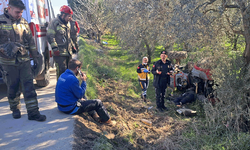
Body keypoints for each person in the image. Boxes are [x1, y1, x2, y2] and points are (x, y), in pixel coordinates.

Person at [0, 0, 46, 121]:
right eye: (17, 12)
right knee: (12, 87)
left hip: (24, 60)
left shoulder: (24, 22)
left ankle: (33, 113)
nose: (19, 14)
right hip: (8, 63)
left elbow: (30, 41)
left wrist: (36, 56)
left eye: (21, 12)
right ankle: (15, 109)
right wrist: (3, 48)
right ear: (9, 8)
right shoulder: (1, 21)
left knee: (29, 87)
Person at [55, 59, 116, 126]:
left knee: (84, 98)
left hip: (61, 106)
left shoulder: (63, 75)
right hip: (69, 109)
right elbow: (80, 94)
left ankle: (94, 115)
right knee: (97, 103)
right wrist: (84, 81)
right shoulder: (73, 79)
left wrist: (81, 98)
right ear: (77, 68)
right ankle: (107, 121)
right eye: (80, 69)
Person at [47, 5, 74, 79]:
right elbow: (50, 36)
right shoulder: (54, 23)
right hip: (59, 53)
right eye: (69, 16)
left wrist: (72, 45)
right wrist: (55, 49)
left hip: (68, 52)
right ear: (63, 15)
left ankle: (67, 88)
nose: (70, 18)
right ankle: (61, 88)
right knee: (61, 72)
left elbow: (68, 37)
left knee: (69, 71)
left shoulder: (67, 23)